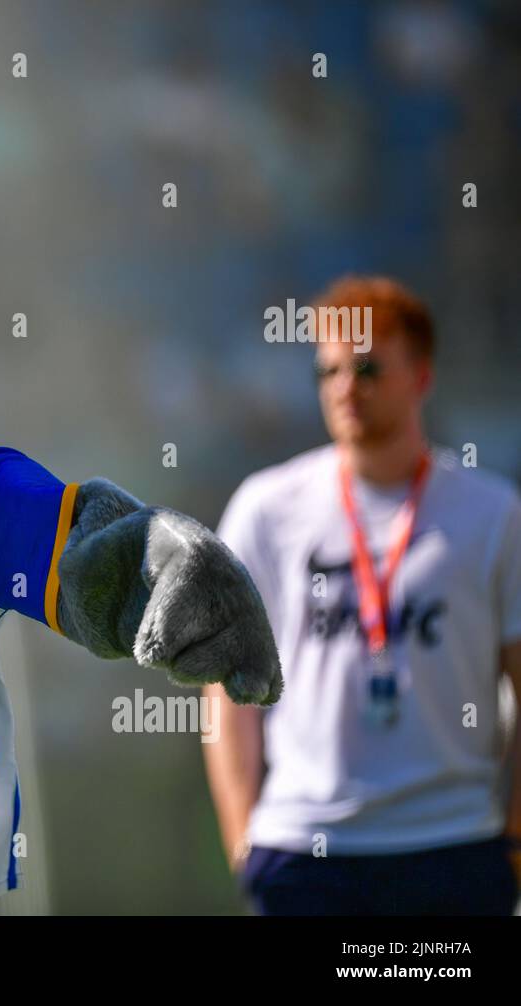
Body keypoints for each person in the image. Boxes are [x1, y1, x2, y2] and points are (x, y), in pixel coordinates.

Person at [202, 275, 521, 915]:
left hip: (452, 846)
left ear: (421, 376)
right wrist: (245, 845)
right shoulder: (266, 509)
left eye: (369, 367)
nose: (346, 387)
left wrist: (513, 840)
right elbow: (227, 694)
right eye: (330, 371)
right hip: (304, 854)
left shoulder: (493, 513)